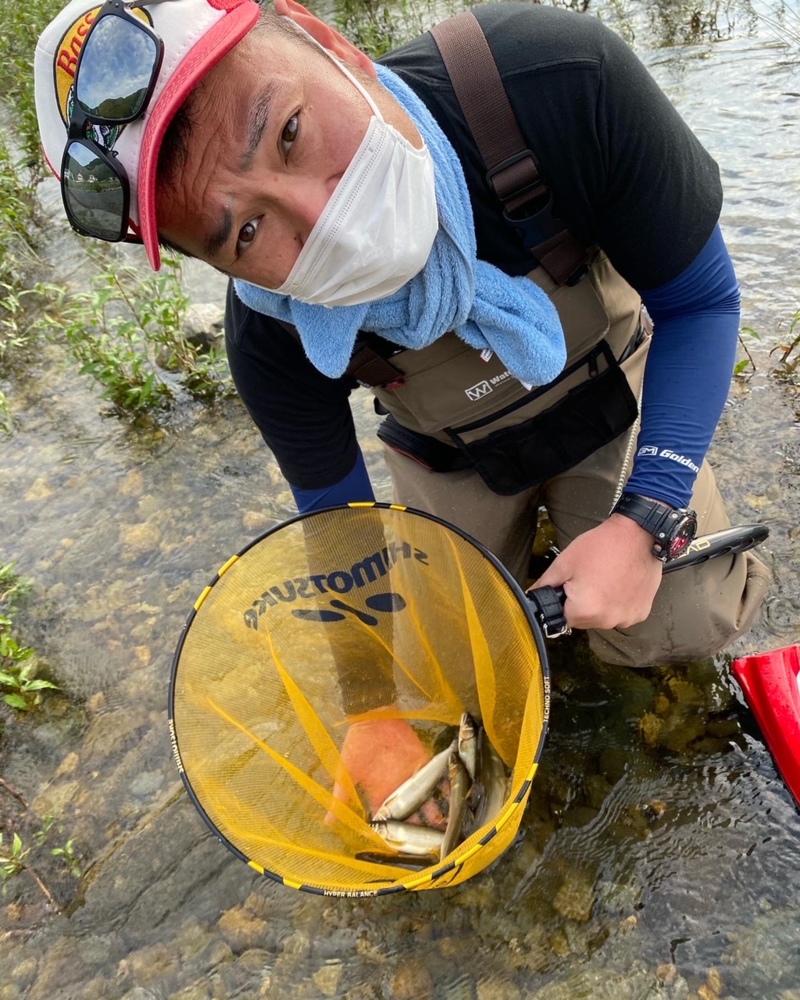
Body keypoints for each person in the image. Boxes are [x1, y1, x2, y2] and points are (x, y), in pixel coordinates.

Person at [35, 0, 770, 817]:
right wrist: (372, 712)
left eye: (288, 132)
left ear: (329, 41)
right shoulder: (271, 343)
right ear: (208, 266)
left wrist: (647, 520)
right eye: (244, 232)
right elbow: (337, 525)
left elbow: (700, 303)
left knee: (683, 611)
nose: (324, 223)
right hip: (458, 452)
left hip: (606, 394)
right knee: (451, 675)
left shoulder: (555, 80)